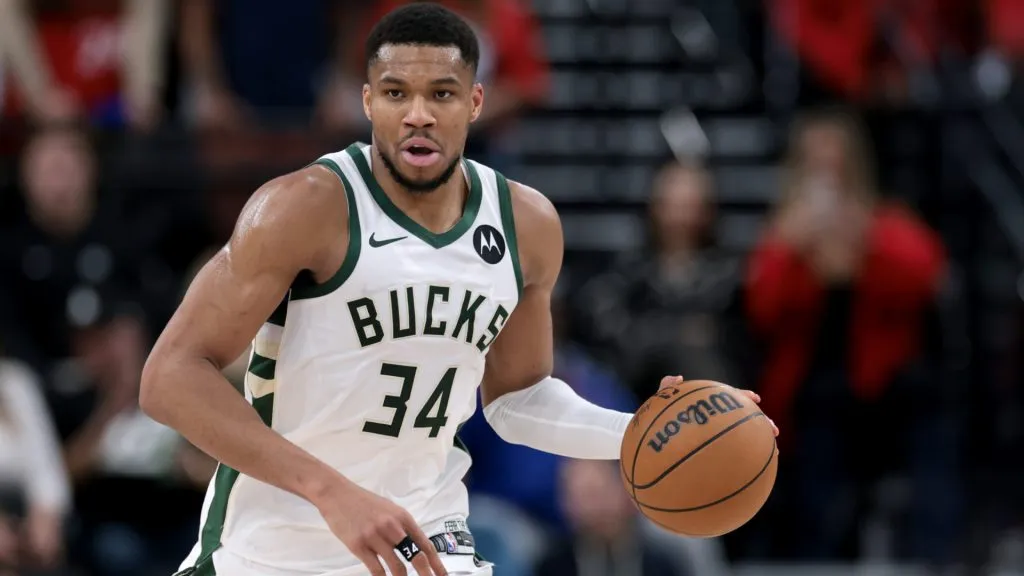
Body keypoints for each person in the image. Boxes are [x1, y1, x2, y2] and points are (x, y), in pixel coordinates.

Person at [139, 5, 775, 576]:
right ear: (367, 102)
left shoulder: (525, 223)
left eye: (440, 93)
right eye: (396, 93)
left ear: (475, 103)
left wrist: (641, 428)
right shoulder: (302, 208)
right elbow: (168, 377)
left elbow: (518, 399)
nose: (418, 114)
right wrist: (333, 490)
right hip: (274, 546)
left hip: (425, 536)